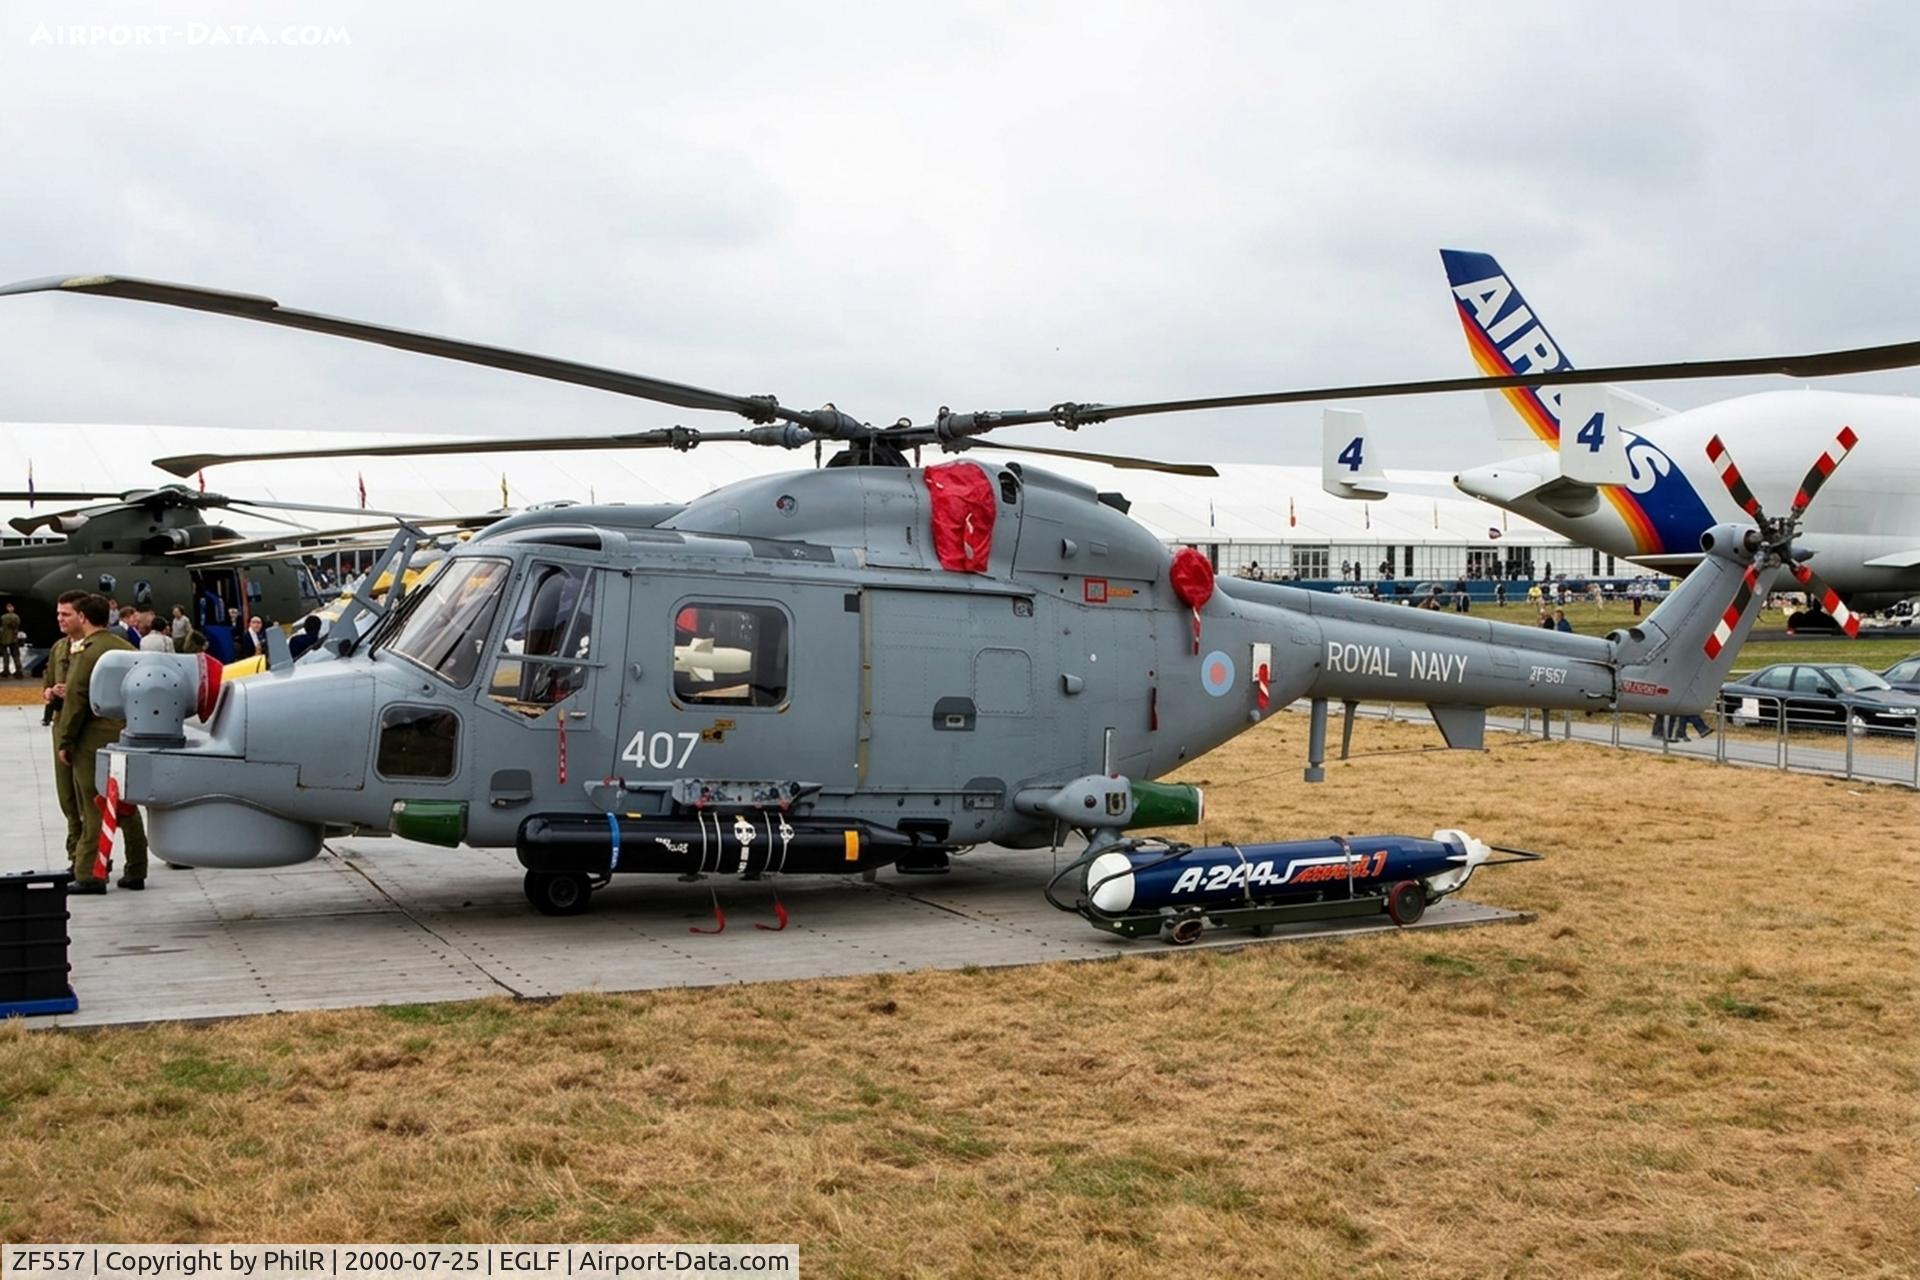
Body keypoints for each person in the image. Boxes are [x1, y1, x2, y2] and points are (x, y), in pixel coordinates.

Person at [54, 594, 150, 893]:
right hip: (123, 732)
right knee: (125, 804)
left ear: (83, 617)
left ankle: (90, 873)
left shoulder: (88, 653)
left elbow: (77, 699)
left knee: (92, 804)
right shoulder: (125, 648)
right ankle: (136, 868)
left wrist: (66, 740)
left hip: (92, 737)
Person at [44, 592, 88, 856]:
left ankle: (91, 857)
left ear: (81, 616)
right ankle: (75, 853)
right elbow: (47, 685)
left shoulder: (93, 648)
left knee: (87, 797)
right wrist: (51, 693)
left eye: (66, 614)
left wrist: (70, 690)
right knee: (67, 796)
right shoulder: (59, 648)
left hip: (86, 727)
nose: (60, 619)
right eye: (58, 614)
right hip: (61, 725)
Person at [0, 601, 20, 677]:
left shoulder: (3, 617)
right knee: (16, 655)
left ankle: (6, 671)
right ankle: (18, 671)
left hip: (4, 638)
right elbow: (17, 626)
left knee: (5, 655)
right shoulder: (16, 617)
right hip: (14, 638)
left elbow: (2, 627)